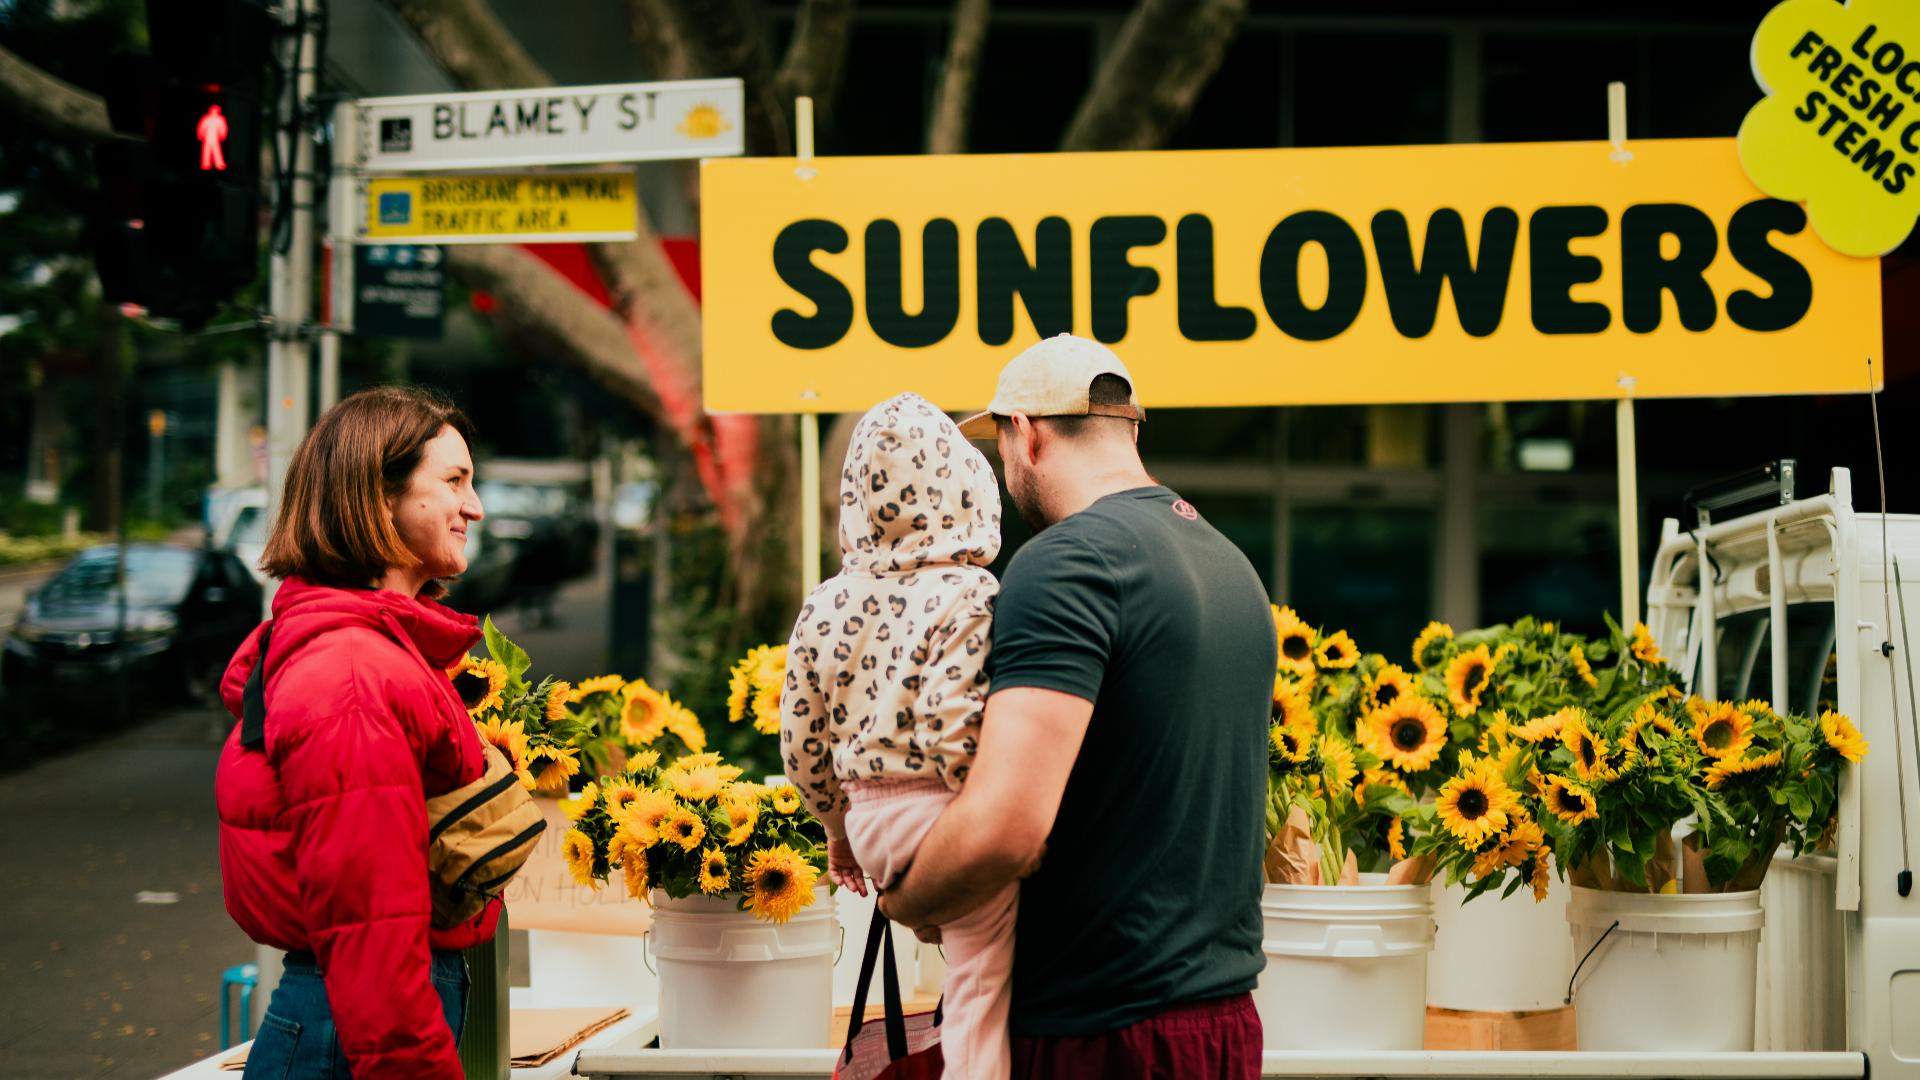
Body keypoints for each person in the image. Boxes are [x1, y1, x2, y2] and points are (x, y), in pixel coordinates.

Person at [878, 334, 1277, 1078]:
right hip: (1221, 1024)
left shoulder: (1068, 563)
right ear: (1131, 428)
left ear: (1025, 434)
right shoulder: (1229, 565)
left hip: (1100, 1033)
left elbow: (1006, 827)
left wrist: (904, 897)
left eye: (1001, 447)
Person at [214, 386, 494, 1078]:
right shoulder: (351, 675)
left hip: (345, 1022)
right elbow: (371, 930)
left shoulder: (367, 653)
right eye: (454, 481)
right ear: (379, 496)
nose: (475, 507)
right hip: (354, 1031)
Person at [781, 391, 1013, 1078]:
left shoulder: (825, 603)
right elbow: (954, 726)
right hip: (942, 810)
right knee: (982, 988)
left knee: (959, 968)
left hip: (870, 819)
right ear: (970, 487)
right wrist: (996, 823)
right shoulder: (970, 594)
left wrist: (837, 830)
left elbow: (802, 743)